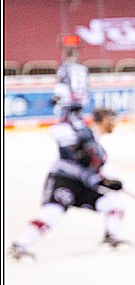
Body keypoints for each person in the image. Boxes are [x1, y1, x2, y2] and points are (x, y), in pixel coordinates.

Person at [8, 107, 126, 260]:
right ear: (103, 120)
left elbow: (89, 173)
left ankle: (111, 237)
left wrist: (106, 182)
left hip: (81, 186)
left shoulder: (100, 149)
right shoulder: (84, 133)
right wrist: (74, 149)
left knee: (115, 202)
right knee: (52, 213)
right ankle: (19, 246)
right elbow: (57, 132)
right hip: (63, 180)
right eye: (112, 120)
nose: (115, 124)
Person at [53, 37, 89, 118]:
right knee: (78, 120)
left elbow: (60, 83)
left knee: (66, 122)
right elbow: (87, 84)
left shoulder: (64, 68)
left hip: (68, 100)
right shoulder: (83, 68)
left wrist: (56, 96)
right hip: (81, 99)